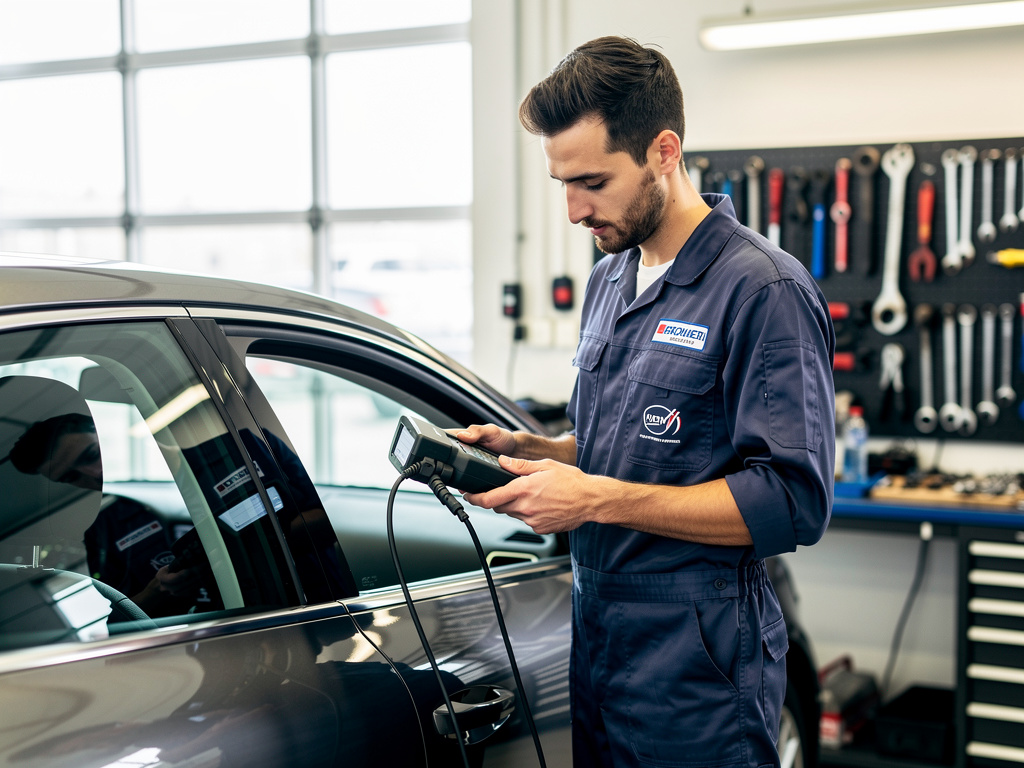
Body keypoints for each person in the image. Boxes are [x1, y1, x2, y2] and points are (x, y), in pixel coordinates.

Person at [458, 36, 835, 768]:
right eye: (562, 183)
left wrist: (595, 499)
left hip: (698, 665)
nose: (574, 211)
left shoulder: (763, 290)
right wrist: (538, 452)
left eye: (593, 182)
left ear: (664, 152)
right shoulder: (610, 278)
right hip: (599, 642)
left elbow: (793, 501)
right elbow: (640, 442)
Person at [10, 412, 209, 615]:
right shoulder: (104, 534)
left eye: (92, 454)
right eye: (71, 477)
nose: (95, 474)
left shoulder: (226, 452)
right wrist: (157, 591)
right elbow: (120, 621)